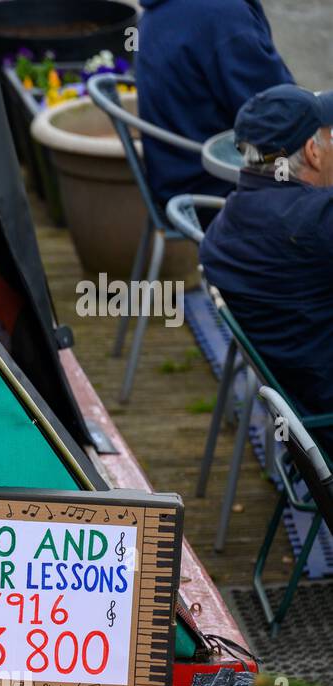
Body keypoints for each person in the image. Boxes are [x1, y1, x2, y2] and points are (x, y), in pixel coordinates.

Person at [200, 85, 333, 453]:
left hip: (300, 422)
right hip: (323, 420)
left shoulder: (222, 228)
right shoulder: (315, 222)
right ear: (312, 152)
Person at [138, 0, 293, 206]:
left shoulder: (161, 11)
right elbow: (284, 118)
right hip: (223, 190)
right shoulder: (223, 17)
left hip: (176, 182)